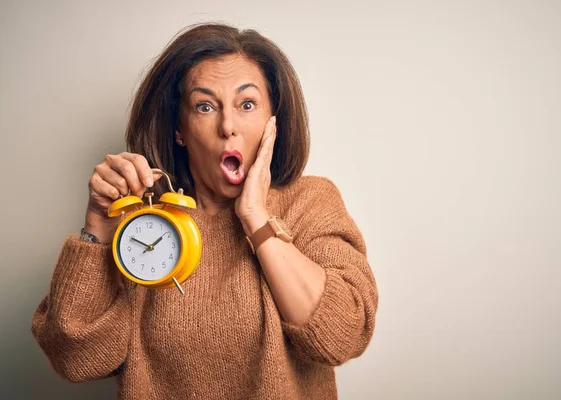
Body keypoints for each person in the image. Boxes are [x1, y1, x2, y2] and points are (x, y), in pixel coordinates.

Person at [31, 23, 378, 400]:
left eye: (247, 105)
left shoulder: (310, 201)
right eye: (205, 106)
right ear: (180, 127)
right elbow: (77, 359)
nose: (228, 126)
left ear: (271, 120)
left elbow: (341, 336)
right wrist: (98, 227)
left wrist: (256, 218)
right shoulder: (146, 226)